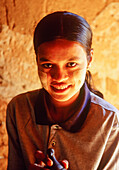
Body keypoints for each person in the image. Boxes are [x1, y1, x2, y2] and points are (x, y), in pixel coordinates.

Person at [6, 11, 119, 170]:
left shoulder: (109, 121)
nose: (59, 77)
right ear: (37, 60)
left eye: (71, 64)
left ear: (89, 60)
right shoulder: (19, 109)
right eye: (47, 65)